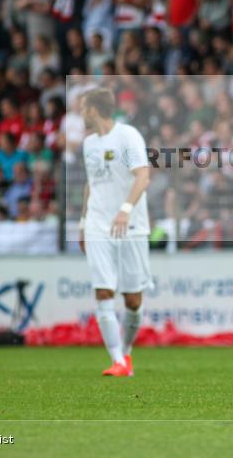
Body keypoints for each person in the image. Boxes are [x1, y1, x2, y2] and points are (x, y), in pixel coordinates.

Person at [78, 88, 151, 378]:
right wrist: (83, 223)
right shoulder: (88, 144)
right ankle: (117, 360)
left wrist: (125, 209)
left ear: (93, 110)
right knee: (103, 290)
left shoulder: (128, 135)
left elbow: (143, 175)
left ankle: (127, 354)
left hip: (130, 223)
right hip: (97, 223)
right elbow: (90, 183)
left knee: (133, 300)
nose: (81, 114)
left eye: (83, 108)